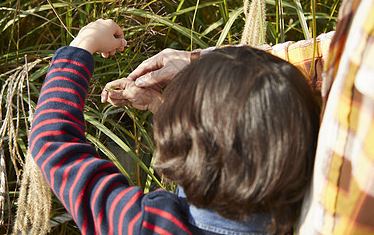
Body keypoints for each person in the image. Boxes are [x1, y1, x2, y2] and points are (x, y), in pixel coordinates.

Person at [106, 0, 374, 235]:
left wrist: (79, 50)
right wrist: (191, 79)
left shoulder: (152, 223)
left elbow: (63, 153)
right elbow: (335, 59)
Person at [30, 18, 320, 234]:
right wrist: (158, 105)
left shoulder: (147, 227)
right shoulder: (303, 221)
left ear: (178, 138)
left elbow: (54, 145)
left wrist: (82, 45)